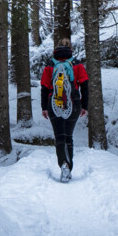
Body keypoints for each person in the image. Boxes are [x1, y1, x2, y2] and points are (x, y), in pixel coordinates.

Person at [40, 38, 88, 182]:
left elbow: (44, 87)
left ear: (56, 48)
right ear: (70, 49)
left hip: (53, 103)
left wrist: (44, 107)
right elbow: (85, 85)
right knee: (68, 137)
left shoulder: (50, 65)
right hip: (73, 103)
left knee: (59, 137)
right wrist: (84, 105)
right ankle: (68, 167)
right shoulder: (77, 65)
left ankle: (63, 164)